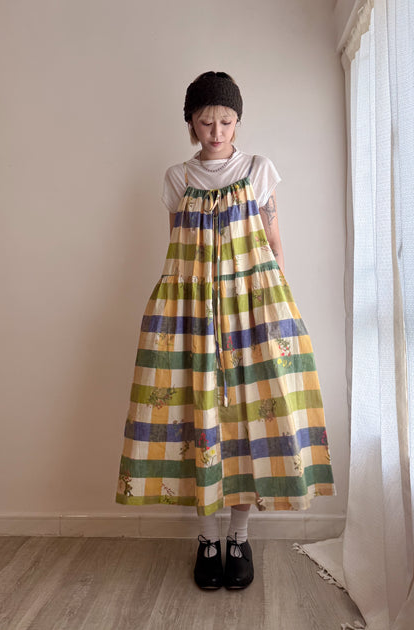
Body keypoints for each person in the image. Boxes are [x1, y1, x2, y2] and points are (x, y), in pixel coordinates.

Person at [116, 71, 336, 590]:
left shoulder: (257, 169)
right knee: (197, 418)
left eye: (226, 121)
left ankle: (239, 536)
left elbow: (274, 245)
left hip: (252, 309)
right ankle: (207, 539)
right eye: (206, 121)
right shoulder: (177, 178)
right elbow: (178, 250)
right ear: (191, 123)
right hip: (192, 310)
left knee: (247, 420)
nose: (217, 132)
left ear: (238, 122)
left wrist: (279, 306)